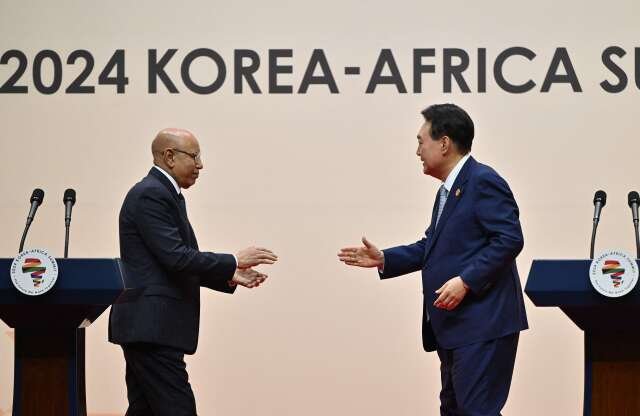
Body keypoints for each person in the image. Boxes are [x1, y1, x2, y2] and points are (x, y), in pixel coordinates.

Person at [338, 104, 528, 415]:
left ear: (444, 143)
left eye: (421, 141)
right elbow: (433, 246)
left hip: (483, 324)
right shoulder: (448, 191)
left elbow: (509, 239)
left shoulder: (482, 180)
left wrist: (466, 281)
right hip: (456, 327)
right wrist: (384, 258)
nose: (417, 151)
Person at [109, 128, 278, 416]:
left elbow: (171, 262)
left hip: (150, 328)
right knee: (179, 409)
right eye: (195, 156)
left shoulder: (165, 194)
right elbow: (176, 257)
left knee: (144, 410)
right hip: (152, 328)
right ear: (169, 157)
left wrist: (230, 275)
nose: (201, 165)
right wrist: (233, 261)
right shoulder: (151, 194)